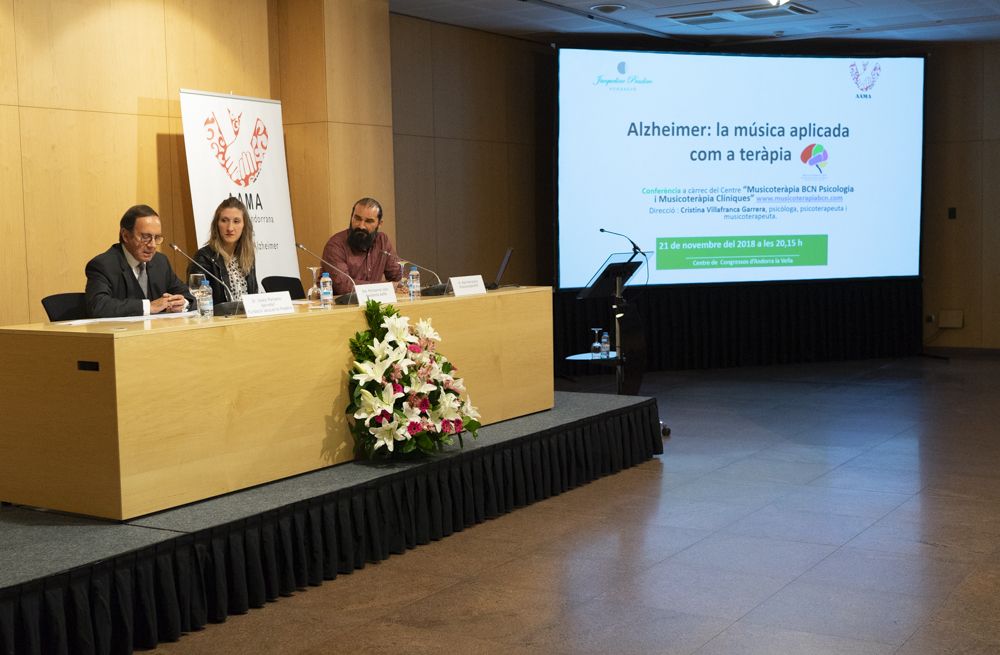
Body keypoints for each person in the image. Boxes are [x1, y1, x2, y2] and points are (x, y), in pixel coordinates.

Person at [84, 204, 193, 318]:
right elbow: (98, 306)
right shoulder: (103, 265)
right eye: (145, 237)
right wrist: (149, 307)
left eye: (156, 238)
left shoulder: (160, 262)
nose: (152, 245)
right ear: (126, 235)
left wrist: (183, 303)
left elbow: (189, 295)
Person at [321, 197, 403, 295]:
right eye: (357, 218)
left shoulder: (382, 241)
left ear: (379, 224)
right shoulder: (336, 245)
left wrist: (400, 284)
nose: (361, 226)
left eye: (368, 221)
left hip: (374, 304)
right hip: (341, 306)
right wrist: (387, 287)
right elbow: (344, 286)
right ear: (351, 217)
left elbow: (398, 277)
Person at [188, 197, 259, 304]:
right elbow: (195, 299)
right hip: (219, 319)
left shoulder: (247, 254)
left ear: (244, 226)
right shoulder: (204, 257)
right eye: (224, 220)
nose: (230, 228)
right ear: (217, 224)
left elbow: (253, 294)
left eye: (236, 221)